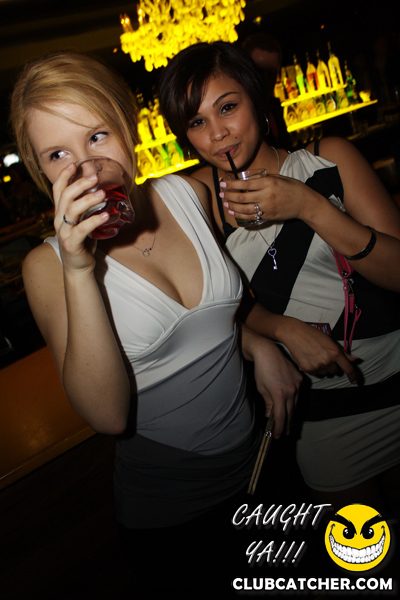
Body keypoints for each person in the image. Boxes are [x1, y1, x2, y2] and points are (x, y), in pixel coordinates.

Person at [10, 51, 302, 599]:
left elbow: (210, 315)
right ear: (39, 169)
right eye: (57, 154)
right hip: (177, 516)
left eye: (97, 136)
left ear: (128, 125)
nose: (85, 168)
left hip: (266, 464)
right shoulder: (46, 268)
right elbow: (108, 415)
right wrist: (79, 269)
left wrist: (258, 343)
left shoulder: (190, 193)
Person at [158, 41, 400, 518]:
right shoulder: (193, 204)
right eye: (197, 122)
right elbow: (199, 311)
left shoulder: (327, 159)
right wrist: (277, 330)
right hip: (324, 415)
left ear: (256, 98)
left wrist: (308, 206)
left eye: (228, 107)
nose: (217, 133)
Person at [242, 32, 290, 148]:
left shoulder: (273, 107)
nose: (265, 79)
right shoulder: (239, 113)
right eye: (259, 71)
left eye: (271, 73)